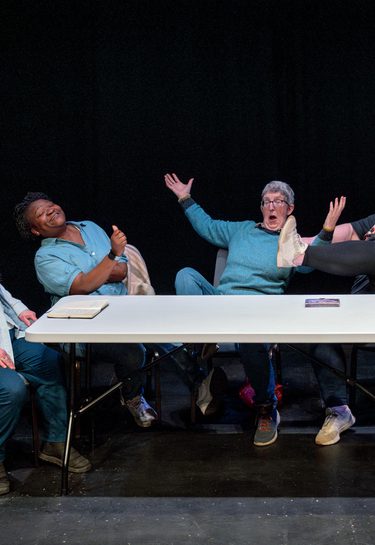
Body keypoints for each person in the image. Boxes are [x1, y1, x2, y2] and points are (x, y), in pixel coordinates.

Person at [164, 172, 352, 446]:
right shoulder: (241, 230)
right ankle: (203, 336)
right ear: (261, 207)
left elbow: (313, 261)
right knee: (186, 276)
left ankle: (265, 409)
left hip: (261, 312)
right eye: (267, 201)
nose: (271, 206)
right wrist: (185, 198)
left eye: (279, 201)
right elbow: (208, 226)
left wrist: (327, 230)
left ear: (290, 209)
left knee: (251, 339)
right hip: (222, 302)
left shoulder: (291, 243)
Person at [14, 192, 158, 428]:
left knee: (170, 337)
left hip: (124, 311)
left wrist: (95, 273)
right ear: (35, 231)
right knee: (134, 352)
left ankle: (201, 383)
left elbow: (121, 270)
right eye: (41, 213)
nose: (50, 211)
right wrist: (109, 257)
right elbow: (81, 286)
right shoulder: (45, 257)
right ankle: (132, 396)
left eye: (50, 205)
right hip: (85, 326)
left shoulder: (90, 228)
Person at [0, 281, 91, 495]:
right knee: (11, 390)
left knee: (49, 362)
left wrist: (19, 309)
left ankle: (55, 441)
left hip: (8, 337)